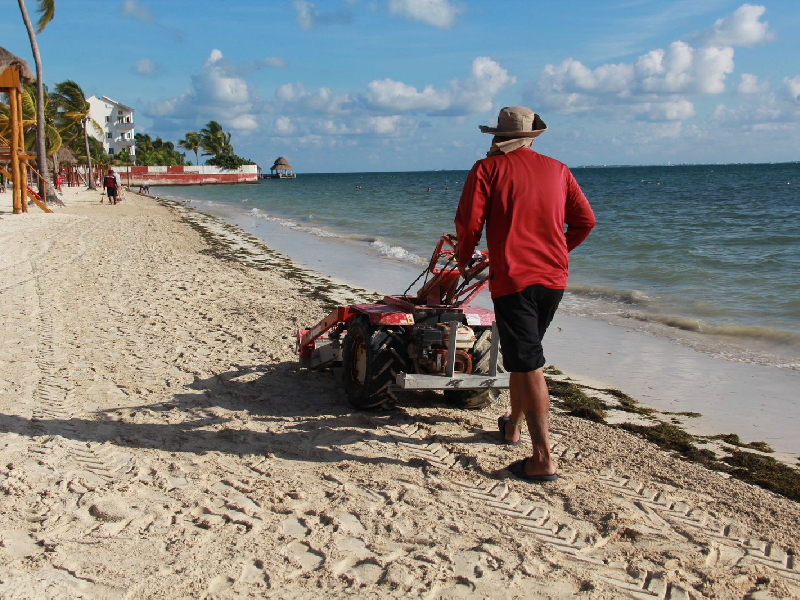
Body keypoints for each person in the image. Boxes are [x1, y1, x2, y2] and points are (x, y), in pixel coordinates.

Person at [454, 106, 595, 483]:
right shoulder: (559, 169)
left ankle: (543, 459)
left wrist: (464, 261)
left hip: (514, 279)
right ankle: (513, 426)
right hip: (554, 280)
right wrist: (559, 251)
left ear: (497, 137)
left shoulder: (486, 170)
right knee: (521, 354)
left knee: (529, 361)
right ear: (532, 136)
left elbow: (469, 224)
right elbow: (585, 221)